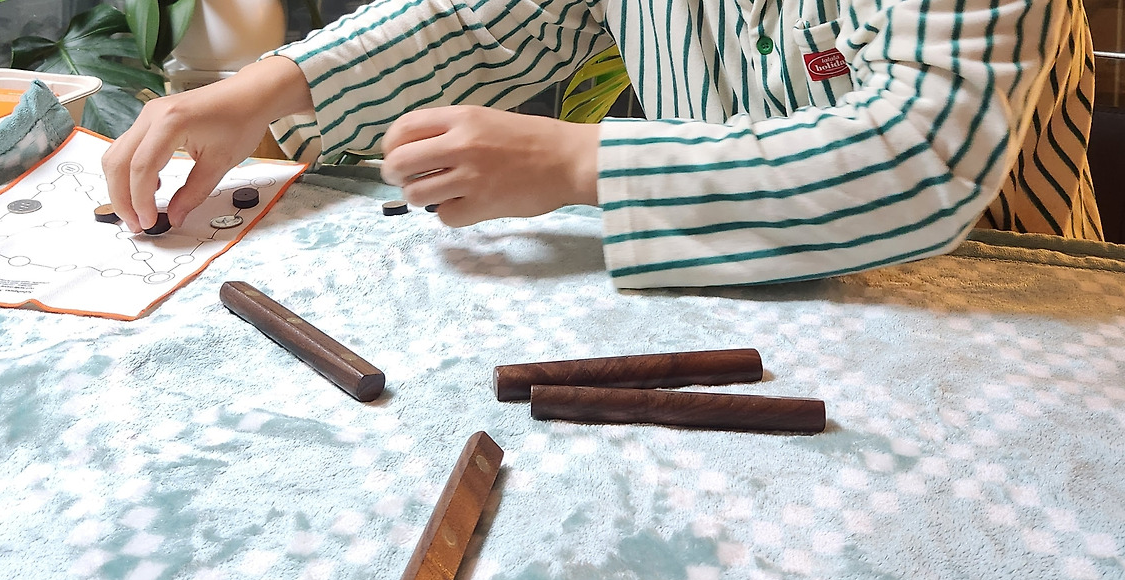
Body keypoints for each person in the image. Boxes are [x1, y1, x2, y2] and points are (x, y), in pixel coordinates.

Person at [102, 0, 1098, 288]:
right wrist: (270, 89)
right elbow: (490, 19)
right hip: (712, 293)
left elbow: (919, 155)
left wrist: (577, 163)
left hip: (981, 304)